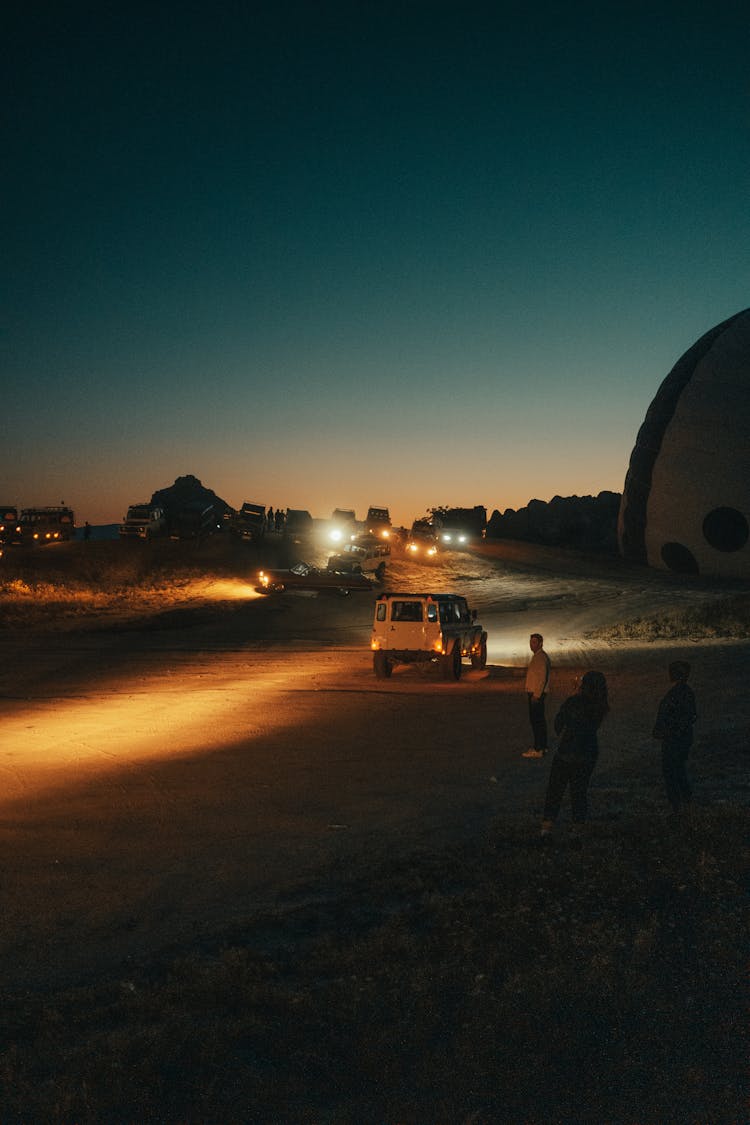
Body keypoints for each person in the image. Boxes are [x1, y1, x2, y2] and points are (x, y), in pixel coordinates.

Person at [540, 670, 609, 837]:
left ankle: (546, 828)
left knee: (555, 789)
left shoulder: (573, 702)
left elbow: (558, 725)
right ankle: (577, 828)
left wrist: (572, 696)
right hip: (588, 752)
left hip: (567, 751)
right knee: (579, 791)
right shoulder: (600, 705)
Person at [652, 660, 697, 813]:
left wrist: (668, 731)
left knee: (672, 771)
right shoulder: (686, 692)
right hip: (680, 738)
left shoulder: (678, 694)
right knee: (677, 769)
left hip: (674, 739)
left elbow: (683, 717)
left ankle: (678, 804)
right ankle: (684, 802)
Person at [522, 633, 551, 758]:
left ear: (540, 644)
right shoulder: (538, 656)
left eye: (534, 642)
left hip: (536, 695)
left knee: (536, 722)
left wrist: (536, 695)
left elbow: (542, 679)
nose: (531, 645)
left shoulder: (541, 658)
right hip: (535, 693)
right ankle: (542, 746)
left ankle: (538, 748)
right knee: (539, 721)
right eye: (531, 642)